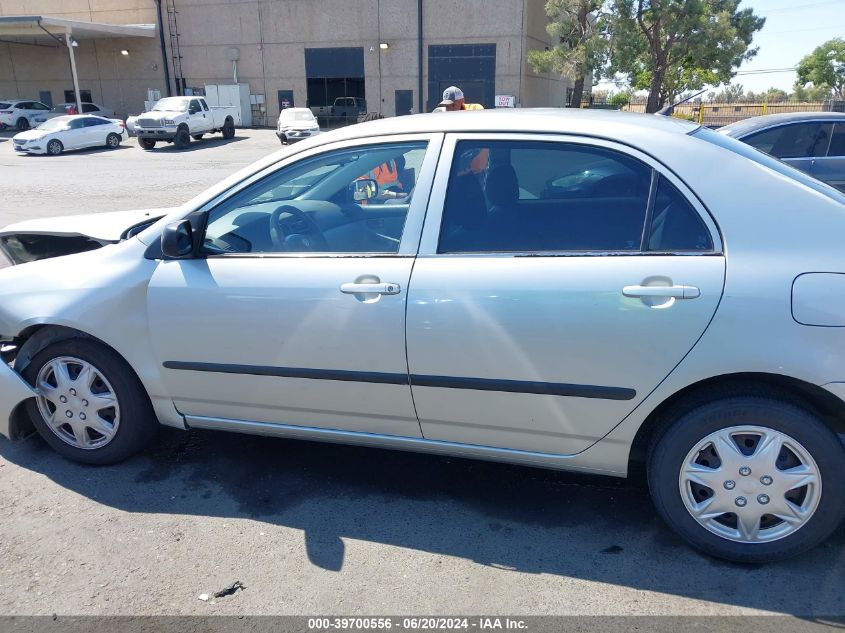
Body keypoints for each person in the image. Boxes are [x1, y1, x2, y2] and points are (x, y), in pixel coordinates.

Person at [435, 86, 489, 174]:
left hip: (475, 162)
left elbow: (484, 135)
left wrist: (482, 155)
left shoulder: (475, 110)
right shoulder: (441, 116)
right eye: (447, 107)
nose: (450, 110)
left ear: (462, 101)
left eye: (452, 105)